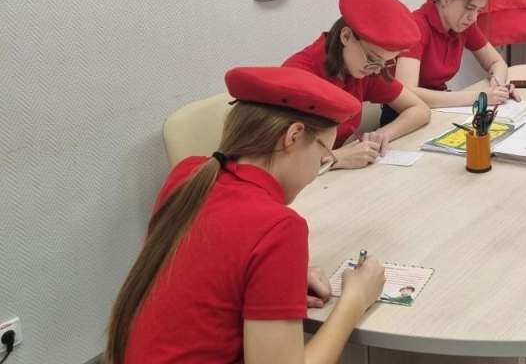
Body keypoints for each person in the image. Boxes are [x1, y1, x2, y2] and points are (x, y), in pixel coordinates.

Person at [104, 66, 386, 364]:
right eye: (323, 157)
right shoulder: (279, 226)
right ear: (293, 136)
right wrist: (356, 299)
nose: (317, 171)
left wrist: (270, 280)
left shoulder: (188, 174)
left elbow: (207, 269)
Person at [284, 0, 431, 169]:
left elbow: (420, 109)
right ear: (346, 36)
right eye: (372, 59)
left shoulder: (364, 68)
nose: (376, 71)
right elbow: (277, 159)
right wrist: (336, 158)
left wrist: (383, 134)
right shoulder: (299, 76)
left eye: (385, 63)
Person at [389, 0, 519, 126]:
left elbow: (496, 62)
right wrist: (480, 96)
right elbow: (406, 92)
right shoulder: (416, 27)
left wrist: (498, 86)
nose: (473, 18)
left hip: (441, 110)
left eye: (479, 10)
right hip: (404, 117)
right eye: (470, 8)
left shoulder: (464, 26)